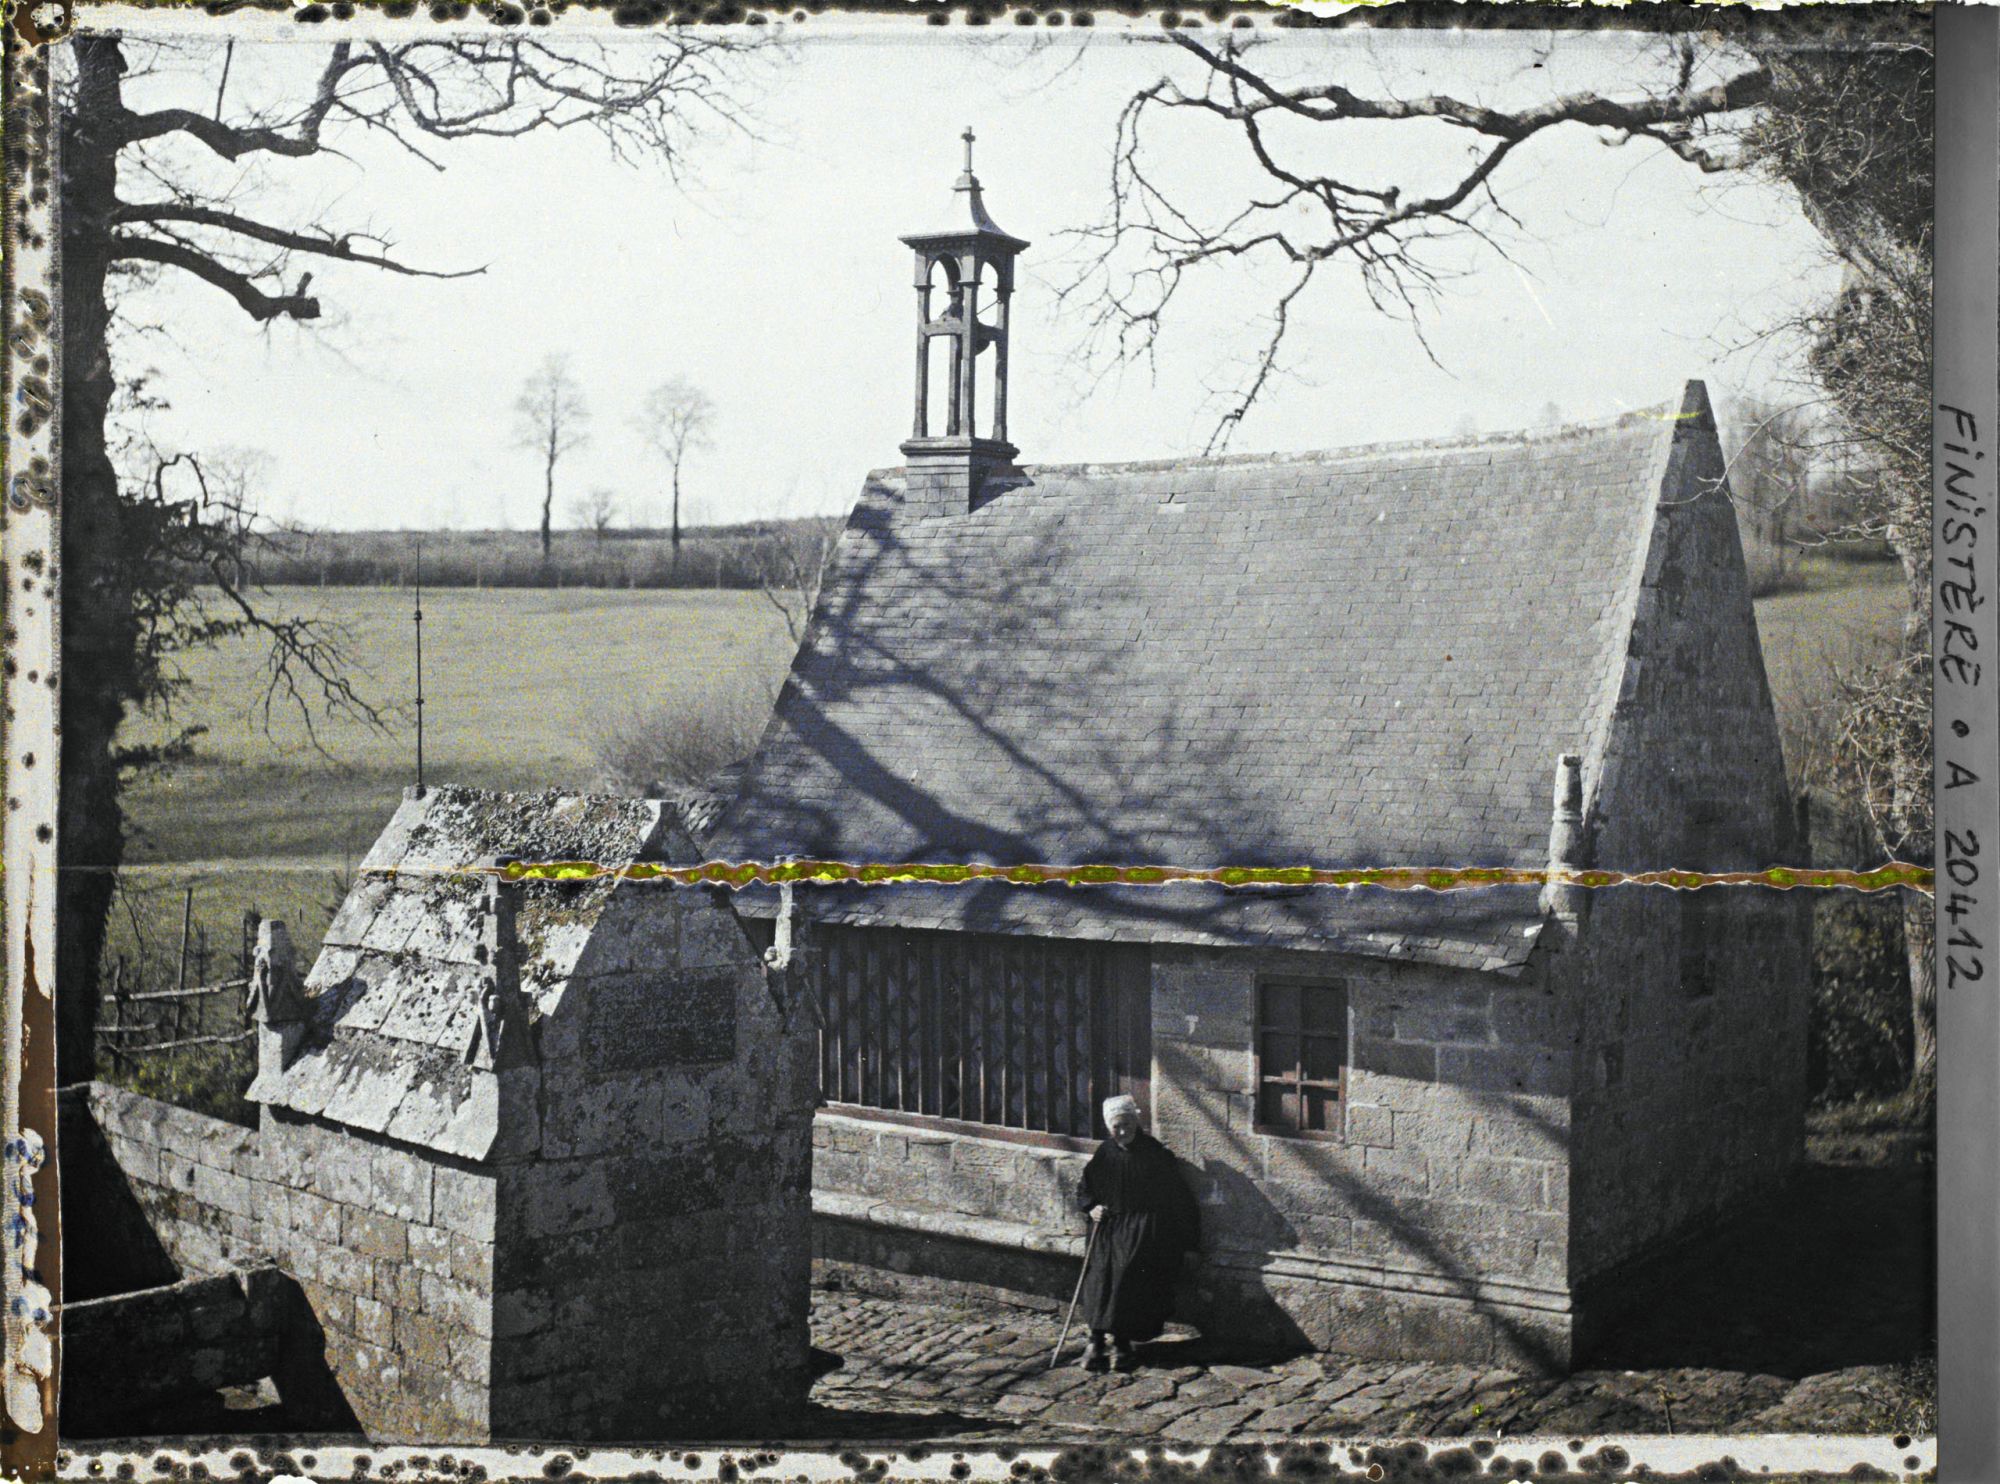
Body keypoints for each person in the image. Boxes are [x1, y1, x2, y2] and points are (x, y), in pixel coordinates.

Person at [1075, 1093, 1200, 1373]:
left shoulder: (1154, 1154)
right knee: (1098, 1280)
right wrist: (1091, 1207)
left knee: (1126, 1281)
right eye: (1116, 1126)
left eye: (1127, 1124)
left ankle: (1121, 1344)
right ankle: (1096, 1342)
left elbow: (1179, 1199)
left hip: (1142, 1229)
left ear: (1136, 1122)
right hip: (1106, 1229)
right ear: (1108, 1127)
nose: (1122, 1131)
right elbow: (1085, 1187)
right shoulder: (1105, 1153)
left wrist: (1190, 1242)